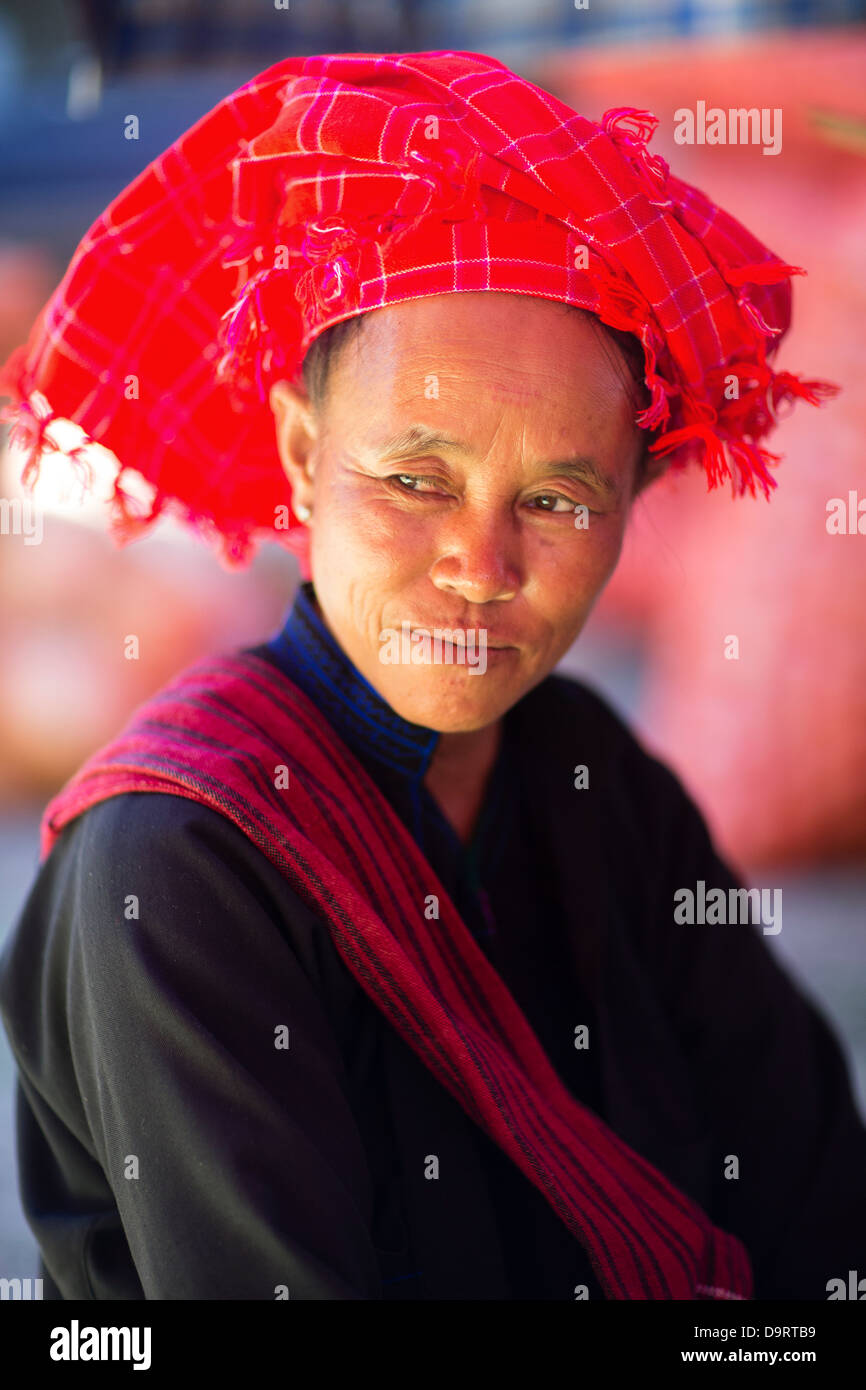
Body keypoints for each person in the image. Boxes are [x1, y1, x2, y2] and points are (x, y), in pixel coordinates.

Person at [0, 50, 863, 1302]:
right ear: (302, 451)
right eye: (413, 480)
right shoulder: (171, 865)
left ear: (631, 508)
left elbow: (816, 1215)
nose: (479, 564)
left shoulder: (596, 778)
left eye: (558, 499)